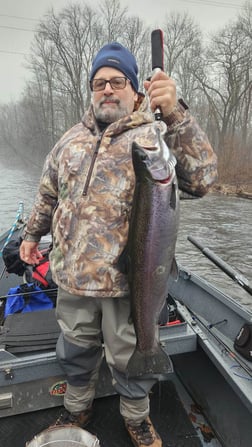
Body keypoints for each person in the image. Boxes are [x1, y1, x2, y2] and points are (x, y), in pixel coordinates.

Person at [20, 42, 217, 447]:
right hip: (73, 277)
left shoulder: (153, 136)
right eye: (99, 83)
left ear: (135, 90)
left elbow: (202, 180)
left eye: (117, 81)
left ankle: (136, 417)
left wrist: (176, 112)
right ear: (91, 90)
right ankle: (77, 407)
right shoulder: (69, 140)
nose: (107, 89)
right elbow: (47, 193)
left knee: (132, 358)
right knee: (74, 349)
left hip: (128, 282)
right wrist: (29, 236)